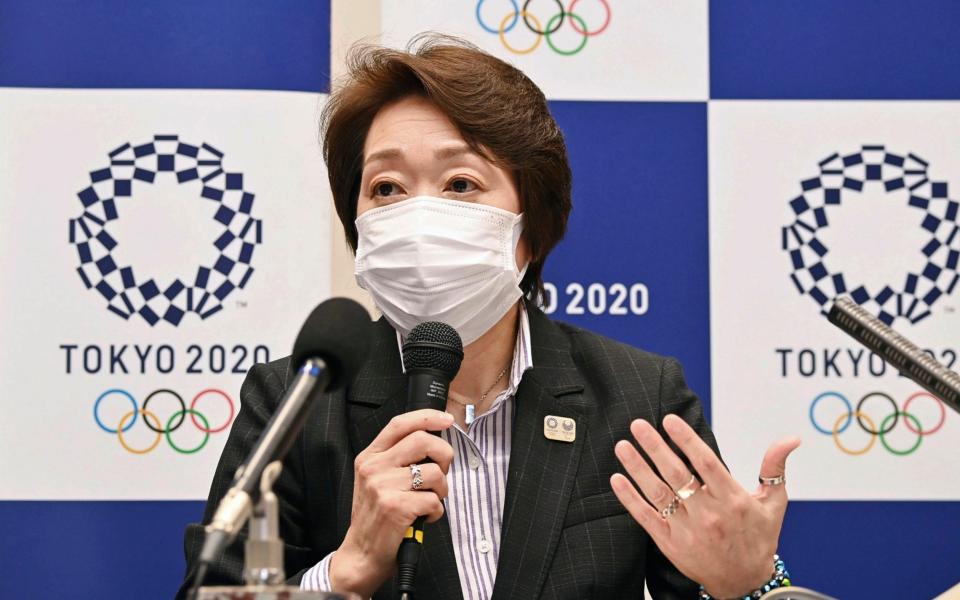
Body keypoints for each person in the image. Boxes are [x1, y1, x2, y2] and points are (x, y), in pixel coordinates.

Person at [177, 35, 800, 600]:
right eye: (386, 188)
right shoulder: (293, 403)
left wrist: (744, 586)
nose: (420, 215)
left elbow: (705, 583)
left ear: (529, 231)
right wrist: (348, 568)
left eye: (460, 184)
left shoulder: (637, 396)